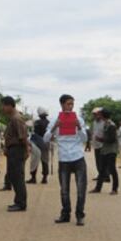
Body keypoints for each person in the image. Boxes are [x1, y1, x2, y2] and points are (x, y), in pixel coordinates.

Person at [44, 95, 89, 226]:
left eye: (72, 104)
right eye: (68, 104)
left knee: (81, 189)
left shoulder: (79, 119)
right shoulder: (54, 120)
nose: (71, 107)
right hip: (64, 158)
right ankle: (65, 214)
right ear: (62, 105)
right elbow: (46, 139)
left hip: (78, 157)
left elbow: (85, 139)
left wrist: (79, 127)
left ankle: (80, 215)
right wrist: (54, 128)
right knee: (64, 189)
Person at [1, 96, 29, 212]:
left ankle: (21, 203)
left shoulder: (16, 118)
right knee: (14, 175)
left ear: (9, 105)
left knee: (18, 177)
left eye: (3, 106)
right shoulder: (13, 118)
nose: (2, 108)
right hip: (13, 150)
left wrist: (26, 150)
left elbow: (22, 137)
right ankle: (18, 201)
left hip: (17, 150)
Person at [91, 109, 119, 195]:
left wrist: (100, 139)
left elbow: (112, 139)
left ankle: (115, 189)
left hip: (111, 150)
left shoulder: (111, 125)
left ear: (103, 116)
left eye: (100, 114)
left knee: (112, 169)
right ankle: (98, 188)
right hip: (105, 149)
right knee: (102, 169)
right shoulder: (106, 124)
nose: (98, 116)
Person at [28, 107, 50, 184]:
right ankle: (45, 178)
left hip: (37, 143)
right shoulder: (49, 122)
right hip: (46, 143)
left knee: (35, 160)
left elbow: (35, 133)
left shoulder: (37, 122)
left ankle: (33, 178)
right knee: (45, 161)